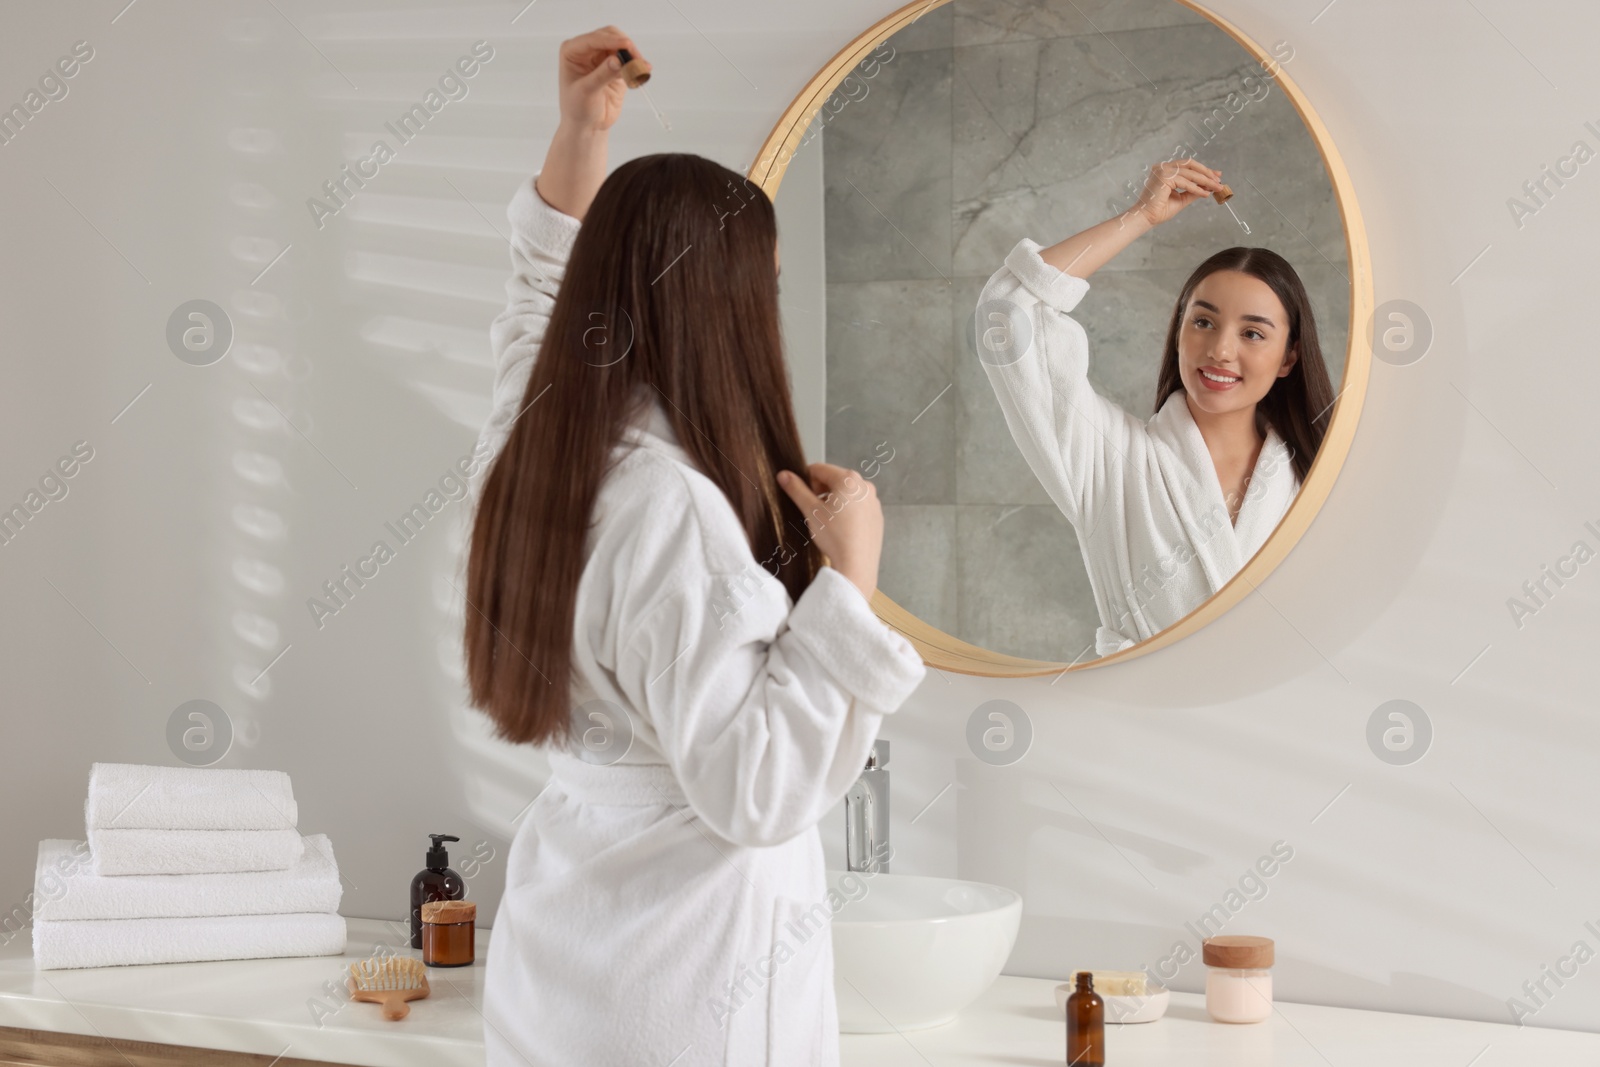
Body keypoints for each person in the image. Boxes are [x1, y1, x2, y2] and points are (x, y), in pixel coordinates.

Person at [461, 26, 926, 1067]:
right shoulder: (673, 510)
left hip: (560, 963)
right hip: (687, 985)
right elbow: (753, 790)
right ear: (724, 304)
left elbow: (534, 294)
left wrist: (580, 133)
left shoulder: (532, 439)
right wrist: (848, 576)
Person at [973, 158, 1335, 658]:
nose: (1221, 351)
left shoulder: (1319, 473)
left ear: (1289, 358)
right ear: (1179, 329)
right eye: (1203, 322)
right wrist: (1140, 216)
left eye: (1252, 333)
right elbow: (1006, 312)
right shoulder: (1111, 460)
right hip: (1137, 721)